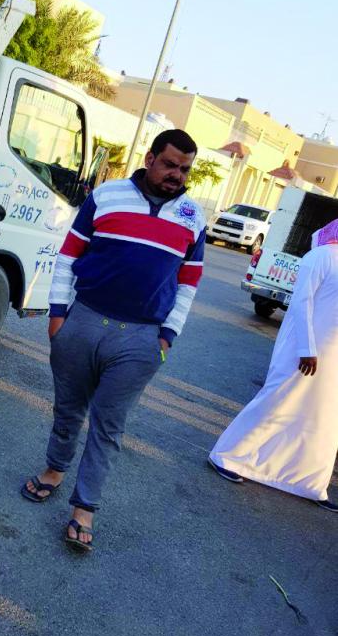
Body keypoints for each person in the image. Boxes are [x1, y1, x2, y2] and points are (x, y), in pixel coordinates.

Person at [20, 130, 205, 553]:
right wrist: (58, 317)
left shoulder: (193, 217)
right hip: (83, 322)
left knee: (108, 425)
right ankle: (54, 470)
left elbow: (189, 283)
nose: (177, 175)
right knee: (68, 409)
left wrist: (166, 338)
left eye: (184, 169)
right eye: (170, 164)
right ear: (150, 158)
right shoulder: (107, 196)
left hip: (140, 339)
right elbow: (69, 255)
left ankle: (84, 508)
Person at [208, 220, 338, 510]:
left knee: (323, 419)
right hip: (304, 350)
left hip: (333, 358)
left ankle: (309, 483)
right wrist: (307, 349)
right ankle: (226, 456)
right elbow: (301, 303)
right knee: (276, 403)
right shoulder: (320, 256)